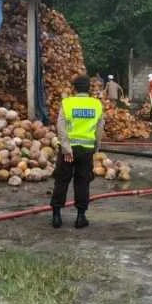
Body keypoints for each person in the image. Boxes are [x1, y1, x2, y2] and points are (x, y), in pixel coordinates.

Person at [51, 75, 104, 229]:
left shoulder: (67, 103)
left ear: (74, 88)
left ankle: (56, 216)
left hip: (68, 151)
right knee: (82, 182)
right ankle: (81, 217)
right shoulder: (96, 104)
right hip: (86, 151)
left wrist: (66, 148)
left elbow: (61, 127)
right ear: (89, 88)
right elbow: (99, 129)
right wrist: (96, 147)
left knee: (61, 180)